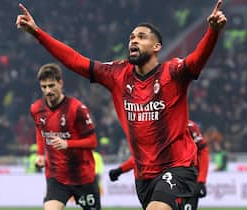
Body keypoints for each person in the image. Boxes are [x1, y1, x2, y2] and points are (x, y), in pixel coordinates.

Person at [16, 1, 226, 209]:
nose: (134, 41)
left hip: (178, 166)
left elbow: (198, 58)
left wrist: (213, 31)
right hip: (144, 175)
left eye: (141, 37)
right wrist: (37, 33)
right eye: (132, 37)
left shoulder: (173, 73)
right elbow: (75, 60)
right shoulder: (117, 74)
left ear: (157, 47)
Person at [29, 63, 101, 210]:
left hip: (82, 176)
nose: (48, 91)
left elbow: (93, 142)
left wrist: (68, 144)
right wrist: (39, 154)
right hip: (56, 176)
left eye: (51, 85)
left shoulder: (76, 108)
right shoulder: (36, 109)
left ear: (60, 83)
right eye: (44, 87)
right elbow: (40, 129)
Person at [109, 120, 209, 209]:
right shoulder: (154, 127)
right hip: (158, 179)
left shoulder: (189, 126)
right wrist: (120, 170)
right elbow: (141, 157)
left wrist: (201, 181)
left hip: (183, 176)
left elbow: (203, 152)